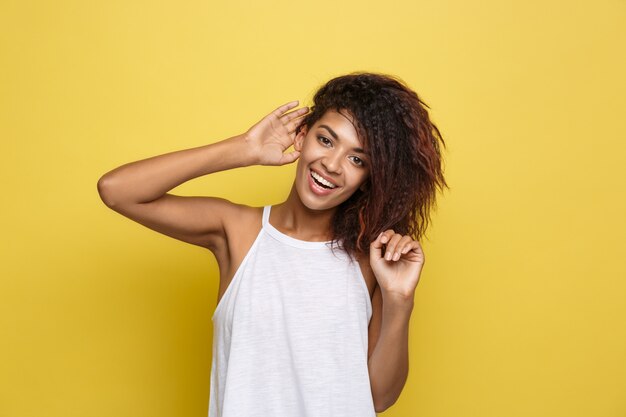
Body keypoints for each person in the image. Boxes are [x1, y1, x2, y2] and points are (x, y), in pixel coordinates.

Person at [97, 71, 448, 416]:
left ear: (370, 178)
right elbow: (118, 191)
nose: (332, 164)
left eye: (357, 159)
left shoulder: (369, 259)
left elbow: (379, 397)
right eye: (326, 140)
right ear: (302, 135)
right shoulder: (238, 230)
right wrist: (244, 148)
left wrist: (400, 300)